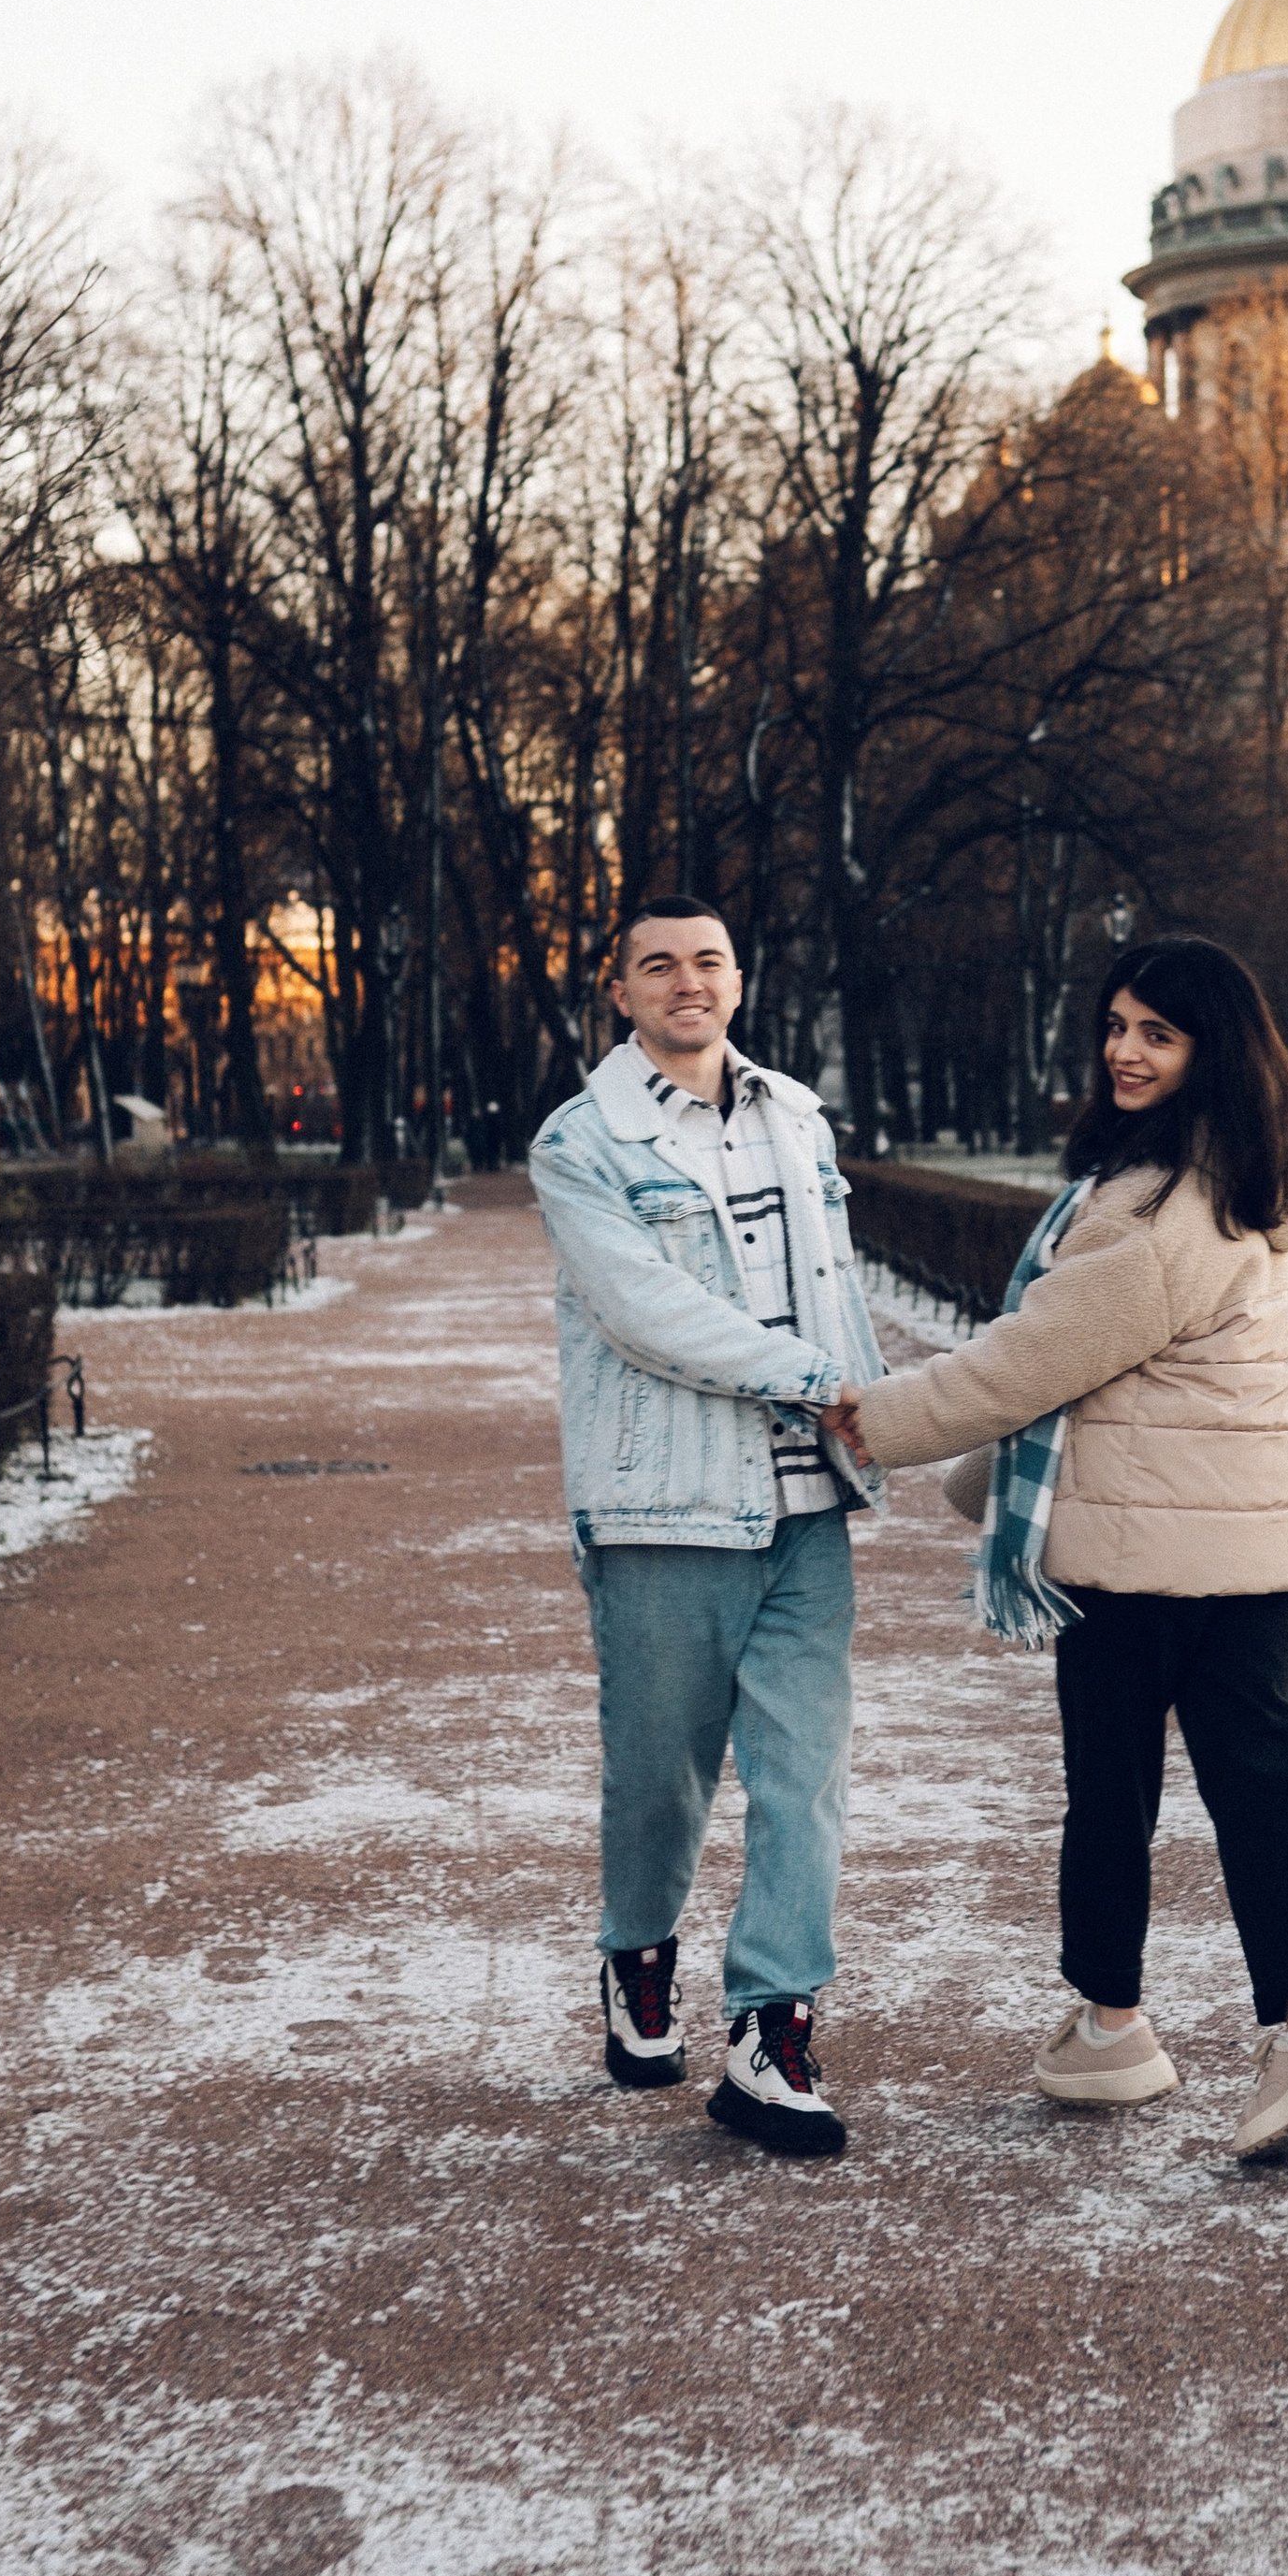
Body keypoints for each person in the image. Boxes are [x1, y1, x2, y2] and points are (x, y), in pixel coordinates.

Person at [830, 937, 1288, 2164]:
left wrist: (871, 1421)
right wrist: (984, 1480)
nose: (1126, 1051)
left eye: (1158, 1034)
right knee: (1264, 1783)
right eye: (1117, 1026)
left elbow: (1026, 1364)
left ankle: (1134, 2026)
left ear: (1212, 1052)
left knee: (1114, 1791)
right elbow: (1078, 1375)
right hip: (1257, 1544)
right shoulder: (1247, 1175)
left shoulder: (1157, 1214)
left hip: (1137, 1550)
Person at [528, 898, 883, 2157]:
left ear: (740, 978)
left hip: (808, 1509)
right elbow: (646, 1312)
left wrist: (886, 1419)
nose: (689, 981)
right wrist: (811, 1378)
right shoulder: (581, 1143)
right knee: (661, 1779)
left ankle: (770, 2030)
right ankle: (637, 1965)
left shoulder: (795, 1113)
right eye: (659, 964)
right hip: (664, 1508)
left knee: (807, 1780)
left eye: (710, 960)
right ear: (620, 994)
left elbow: (838, 1292)